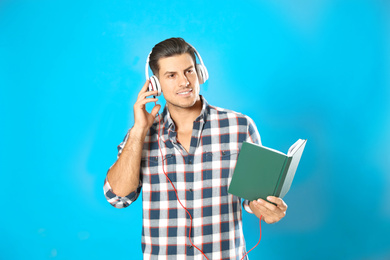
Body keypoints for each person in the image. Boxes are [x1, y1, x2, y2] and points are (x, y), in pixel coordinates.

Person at [103, 37, 288, 259]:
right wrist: (139, 131)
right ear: (156, 84)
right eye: (171, 75)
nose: (184, 82)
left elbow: (254, 196)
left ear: (200, 73)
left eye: (189, 71)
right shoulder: (140, 135)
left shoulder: (239, 126)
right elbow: (117, 197)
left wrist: (265, 208)